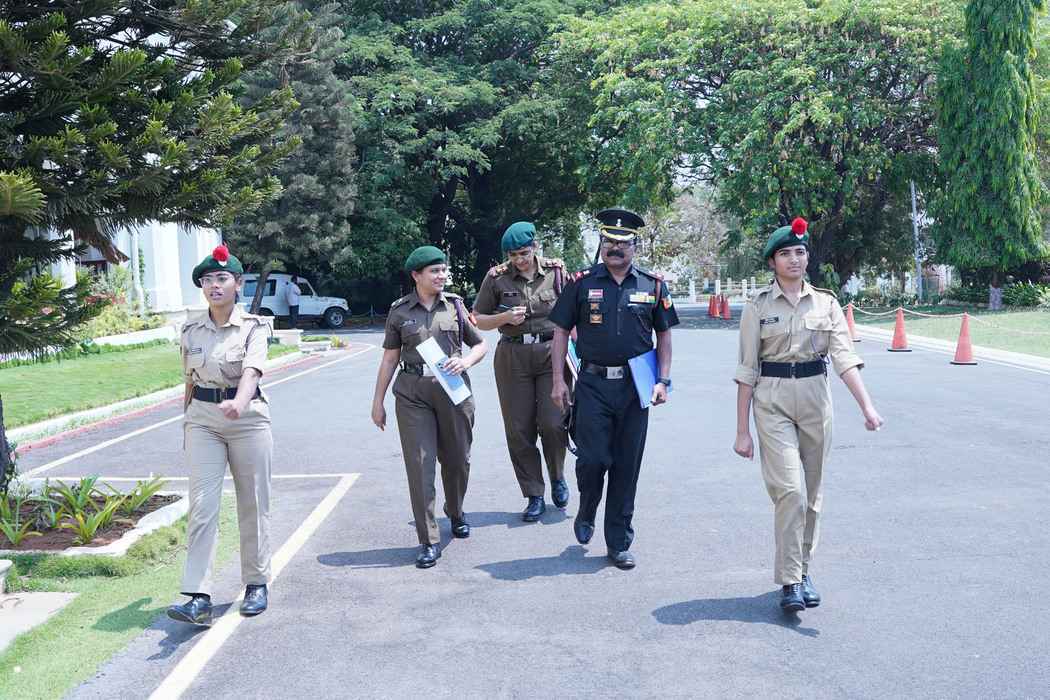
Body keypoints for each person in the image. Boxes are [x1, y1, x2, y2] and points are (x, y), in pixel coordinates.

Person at [732, 217, 884, 612]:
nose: (794, 259)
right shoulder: (758, 306)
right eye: (785, 253)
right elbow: (746, 370)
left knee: (812, 494)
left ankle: (802, 571)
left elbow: (844, 358)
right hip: (773, 398)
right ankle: (789, 581)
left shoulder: (827, 304)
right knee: (791, 492)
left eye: (800, 252)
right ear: (772, 262)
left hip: (816, 396)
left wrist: (867, 407)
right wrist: (742, 431)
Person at [549, 209, 679, 570]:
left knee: (626, 466)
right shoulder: (580, 283)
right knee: (593, 460)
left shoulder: (653, 285)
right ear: (601, 244)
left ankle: (619, 541)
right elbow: (560, 331)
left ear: (635, 246)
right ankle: (587, 507)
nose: (615, 248)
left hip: (635, 388)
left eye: (622, 243)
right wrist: (558, 380)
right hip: (592, 385)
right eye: (608, 241)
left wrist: (663, 380)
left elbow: (664, 335)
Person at [168, 244, 273, 626]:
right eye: (208, 279)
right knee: (202, 505)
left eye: (222, 278)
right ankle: (198, 596)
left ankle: (256, 583)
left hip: (247, 420)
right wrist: (187, 423)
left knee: (253, 501)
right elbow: (189, 380)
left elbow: (252, 371)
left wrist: (239, 403)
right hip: (203, 420)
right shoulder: (190, 330)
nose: (214, 285)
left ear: (237, 284)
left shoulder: (254, 327)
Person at [371, 246, 489, 568]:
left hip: (453, 390)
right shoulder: (399, 311)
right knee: (420, 464)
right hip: (413, 393)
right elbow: (390, 358)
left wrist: (465, 361)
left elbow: (481, 344)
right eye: (434, 271)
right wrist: (377, 401)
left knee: (458, 459)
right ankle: (428, 539)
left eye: (443, 270)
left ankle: (456, 511)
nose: (441, 276)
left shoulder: (455, 306)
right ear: (416, 276)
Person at [473, 222, 570, 521]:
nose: (520, 260)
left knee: (554, 423)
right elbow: (478, 319)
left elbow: (573, 312)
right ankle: (534, 493)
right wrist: (504, 317)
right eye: (513, 255)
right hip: (513, 356)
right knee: (519, 429)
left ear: (535, 247)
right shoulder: (496, 278)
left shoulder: (556, 272)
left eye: (524, 253)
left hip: (551, 353)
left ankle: (557, 476)